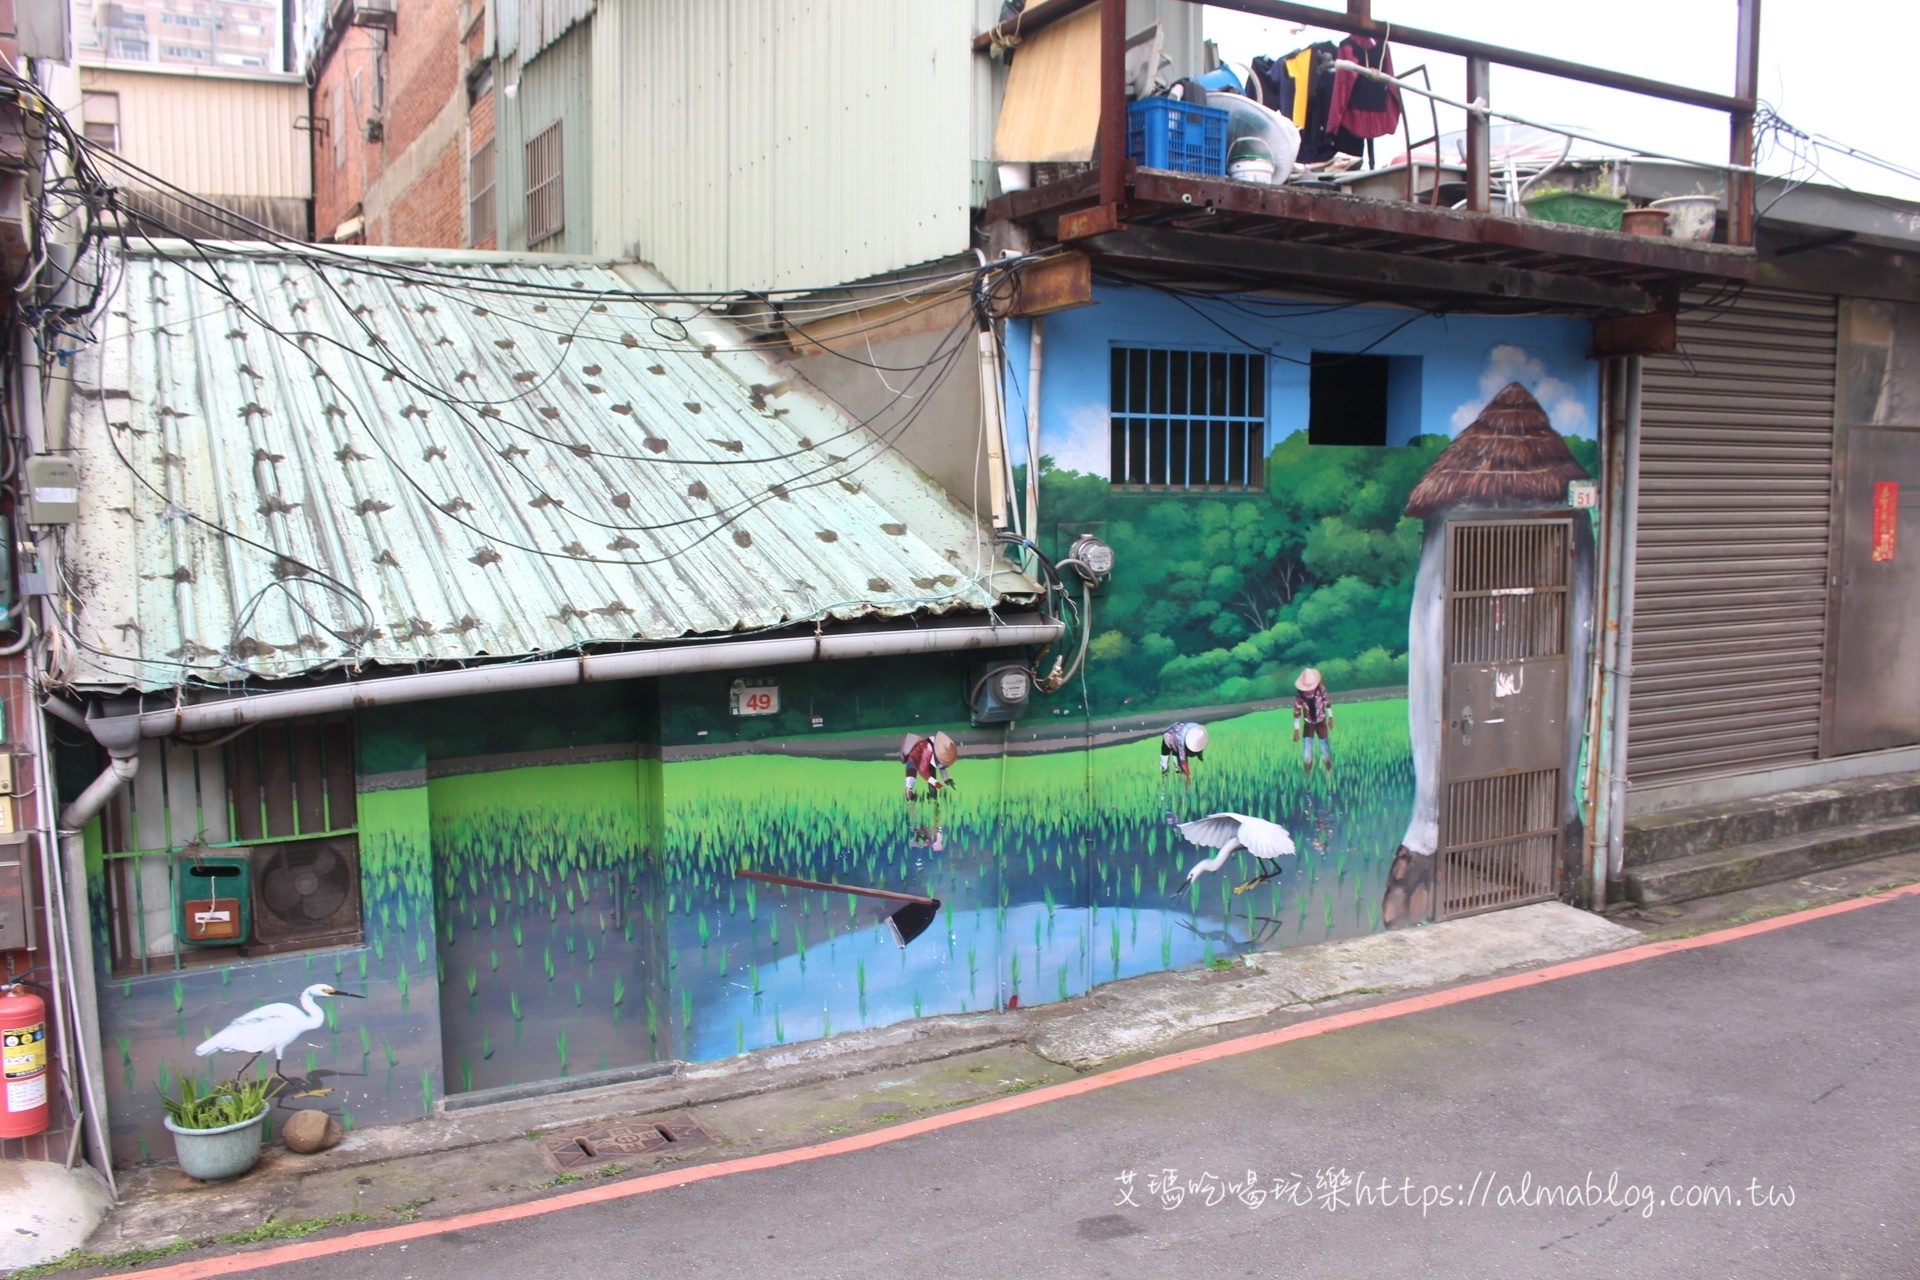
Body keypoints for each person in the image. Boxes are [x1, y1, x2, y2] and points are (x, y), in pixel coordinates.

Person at [1293, 668, 1334, 775]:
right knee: (1307, 750)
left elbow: (1327, 702)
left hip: (1321, 721)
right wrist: (1296, 729)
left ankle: (1329, 771)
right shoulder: (1301, 694)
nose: (1309, 691)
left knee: (1325, 747)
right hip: (1308, 723)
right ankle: (1307, 775)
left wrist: (1331, 718)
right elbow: (1297, 710)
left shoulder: (1321, 688)